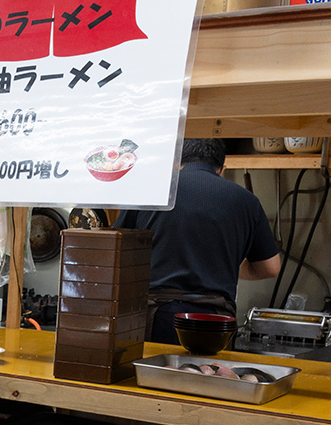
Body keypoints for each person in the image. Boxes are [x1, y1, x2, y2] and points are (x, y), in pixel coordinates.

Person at [115, 138, 282, 344]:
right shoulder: (247, 200)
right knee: (208, 365)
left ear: (176, 164)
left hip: (158, 316)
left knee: (156, 365)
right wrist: (224, 266)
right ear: (222, 169)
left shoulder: (149, 192)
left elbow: (115, 251)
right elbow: (270, 267)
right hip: (216, 319)